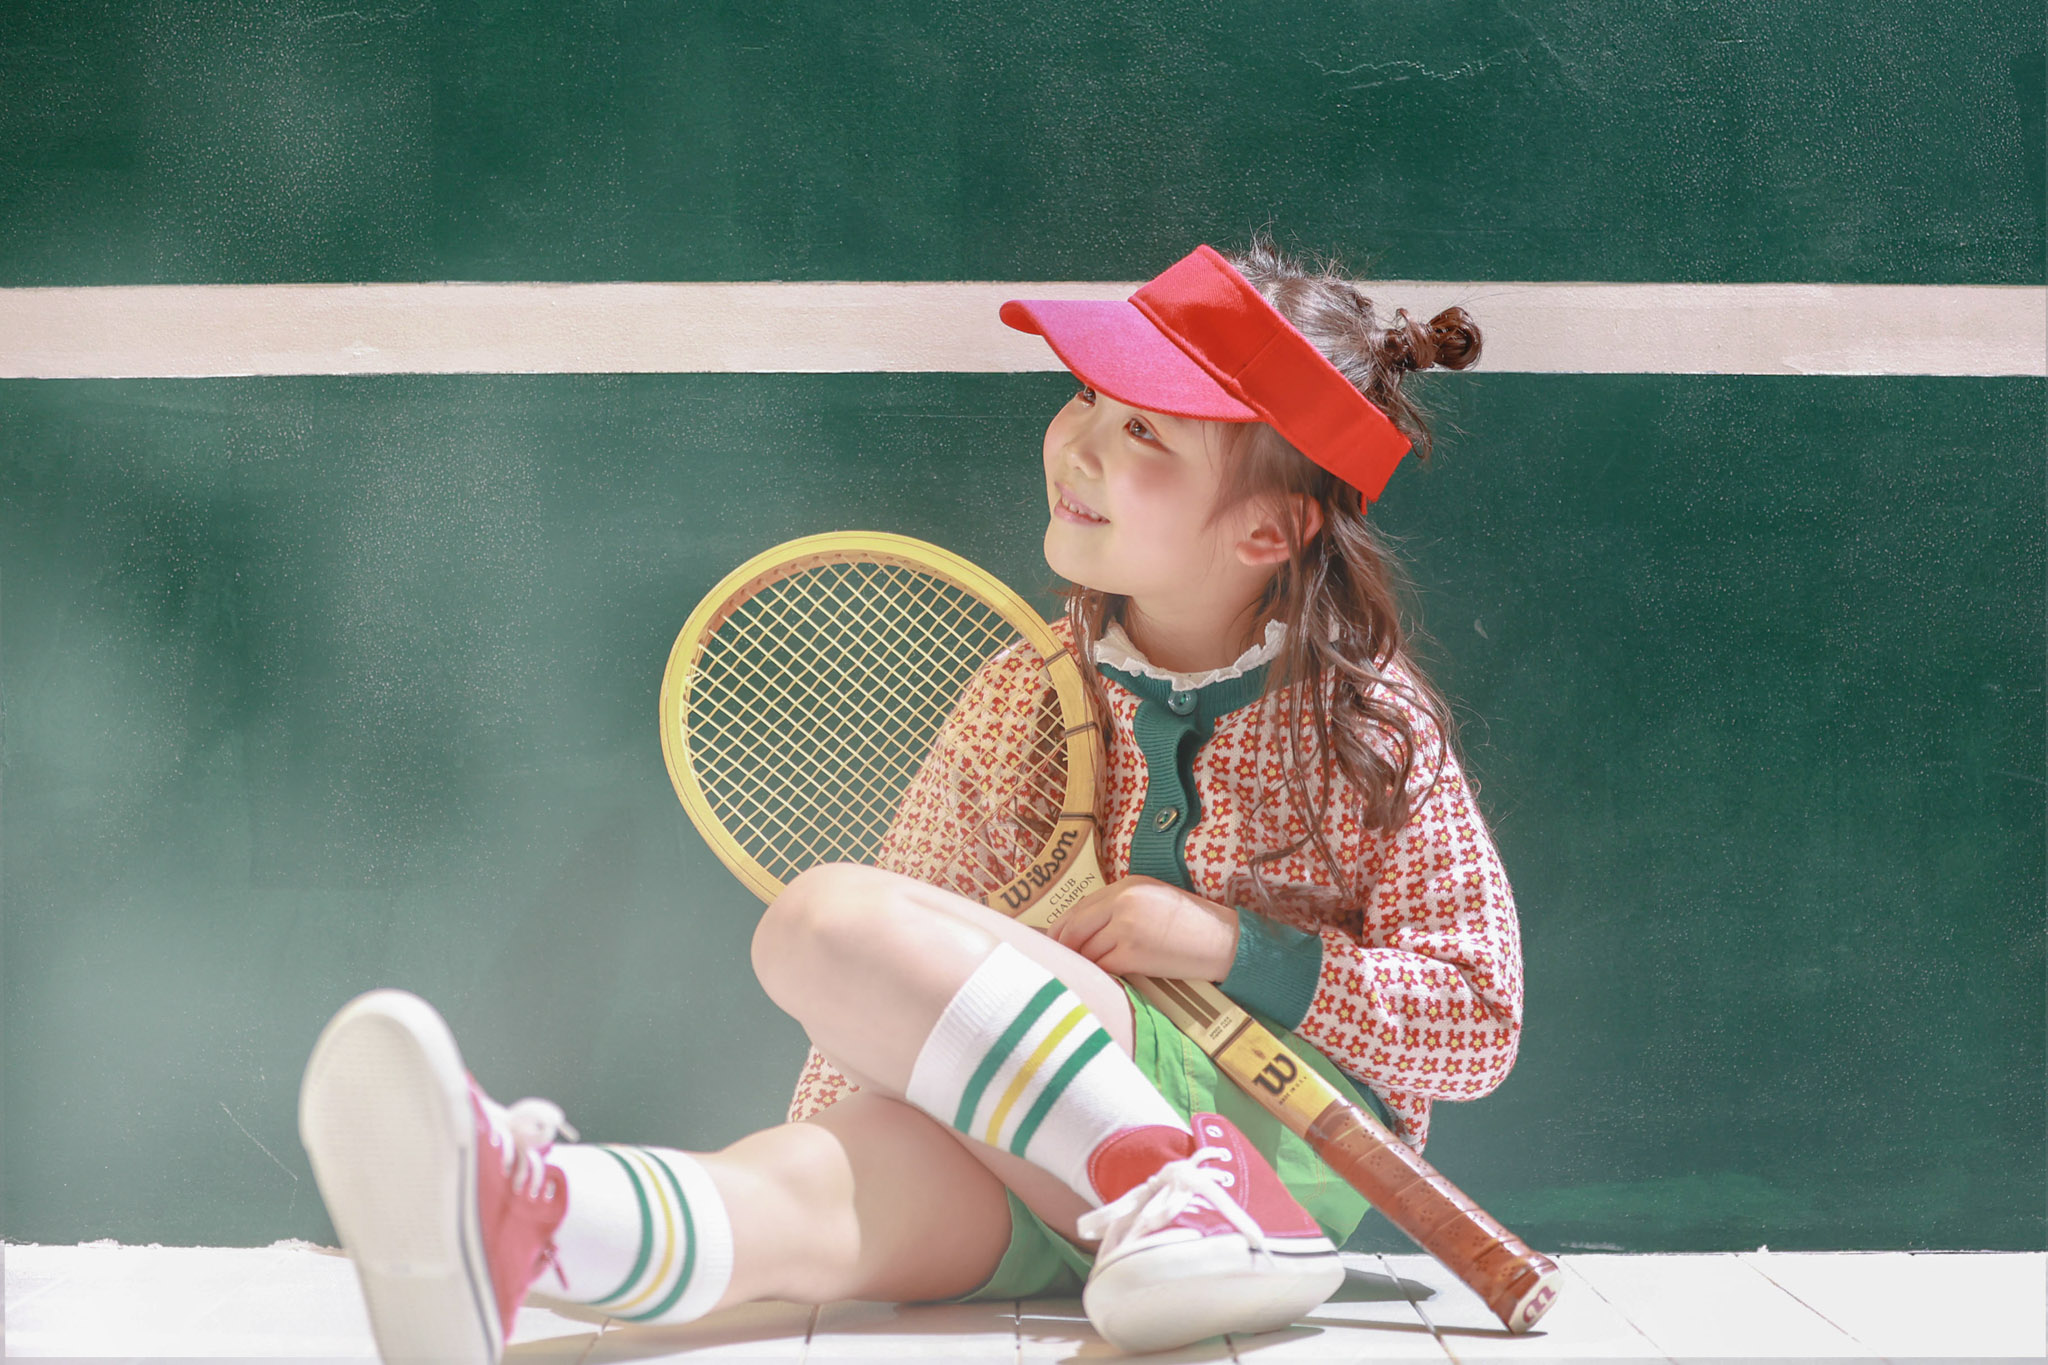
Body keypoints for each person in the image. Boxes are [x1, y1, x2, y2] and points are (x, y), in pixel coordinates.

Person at [297, 236, 1522, 1363]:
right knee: (813, 1185)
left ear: (1269, 528)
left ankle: (1187, 1188)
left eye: (1145, 433)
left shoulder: (1367, 723)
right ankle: (531, 1224)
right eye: (1086, 399)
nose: (1080, 444)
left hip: (1283, 1146)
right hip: (1060, 1168)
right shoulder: (1019, 697)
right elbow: (896, 979)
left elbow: (1478, 1023)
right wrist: (856, 1124)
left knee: (822, 920)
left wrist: (1225, 946)